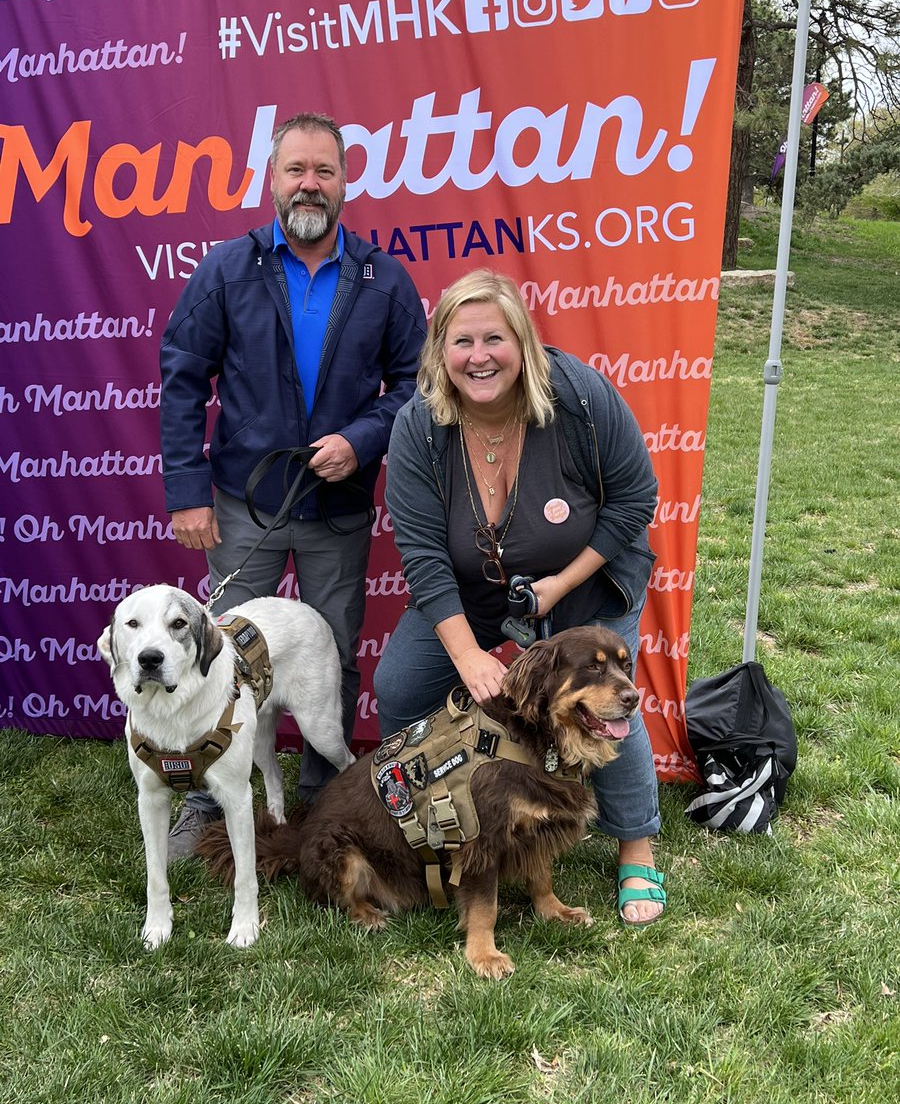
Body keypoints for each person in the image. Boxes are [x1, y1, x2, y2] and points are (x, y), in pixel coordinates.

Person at [159, 111, 426, 857]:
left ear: (346, 182)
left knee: (331, 651)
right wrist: (186, 489)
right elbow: (182, 376)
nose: (310, 183)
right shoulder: (227, 269)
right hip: (245, 504)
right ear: (271, 180)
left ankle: (322, 797)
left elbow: (418, 382)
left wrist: (363, 438)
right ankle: (211, 802)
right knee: (220, 654)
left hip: (337, 508)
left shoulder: (383, 279)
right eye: (295, 169)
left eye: (325, 171)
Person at [373, 269, 665, 923]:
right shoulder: (418, 426)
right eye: (462, 341)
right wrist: (471, 656)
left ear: (524, 344)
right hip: (475, 585)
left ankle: (637, 847)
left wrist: (560, 586)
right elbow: (421, 554)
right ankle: (424, 825)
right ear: (440, 354)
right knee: (398, 685)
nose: (479, 357)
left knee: (611, 699)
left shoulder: (581, 397)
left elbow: (634, 501)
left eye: (495, 339)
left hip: (585, 577)